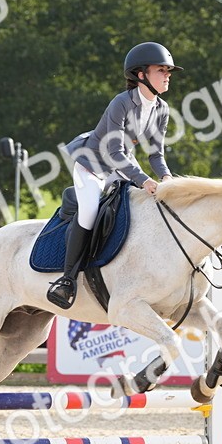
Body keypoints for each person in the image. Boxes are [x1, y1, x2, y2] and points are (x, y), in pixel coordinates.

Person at [46, 42, 179, 308]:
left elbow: (155, 155)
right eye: (161, 70)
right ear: (141, 75)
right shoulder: (122, 102)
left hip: (121, 167)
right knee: (89, 212)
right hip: (93, 165)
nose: (167, 76)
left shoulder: (161, 109)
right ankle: (67, 279)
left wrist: (167, 178)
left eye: (168, 71)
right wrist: (143, 180)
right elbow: (114, 151)